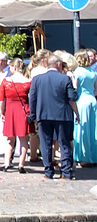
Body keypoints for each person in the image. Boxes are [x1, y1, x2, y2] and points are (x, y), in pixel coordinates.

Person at [28, 51, 78, 180]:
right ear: (59, 65)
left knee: (46, 143)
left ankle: (48, 171)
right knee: (64, 143)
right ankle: (66, 172)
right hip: (62, 115)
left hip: (43, 115)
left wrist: (33, 116)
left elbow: (32, 99)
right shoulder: (65, 78)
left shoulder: (37, 79)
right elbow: (72, 97)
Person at [0, 57, 33, 172]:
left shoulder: (6, 81)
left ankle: (6, 163)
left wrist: (2, 113)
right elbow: (32, 98)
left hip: (10, 110)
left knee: (10, 139)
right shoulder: (28, 82)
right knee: (24, 139)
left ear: (14, 67)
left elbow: (1, 100)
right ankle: (21, 164)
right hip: (24, 110)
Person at [73, 49, 97, 165]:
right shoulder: (93, 72)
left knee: (82, 129)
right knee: (93, 129)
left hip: (81, 101)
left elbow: (75, 89)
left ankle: (83, 157)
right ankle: (93, 156)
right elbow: (95, 90)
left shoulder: (78, 72)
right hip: (92, 100)